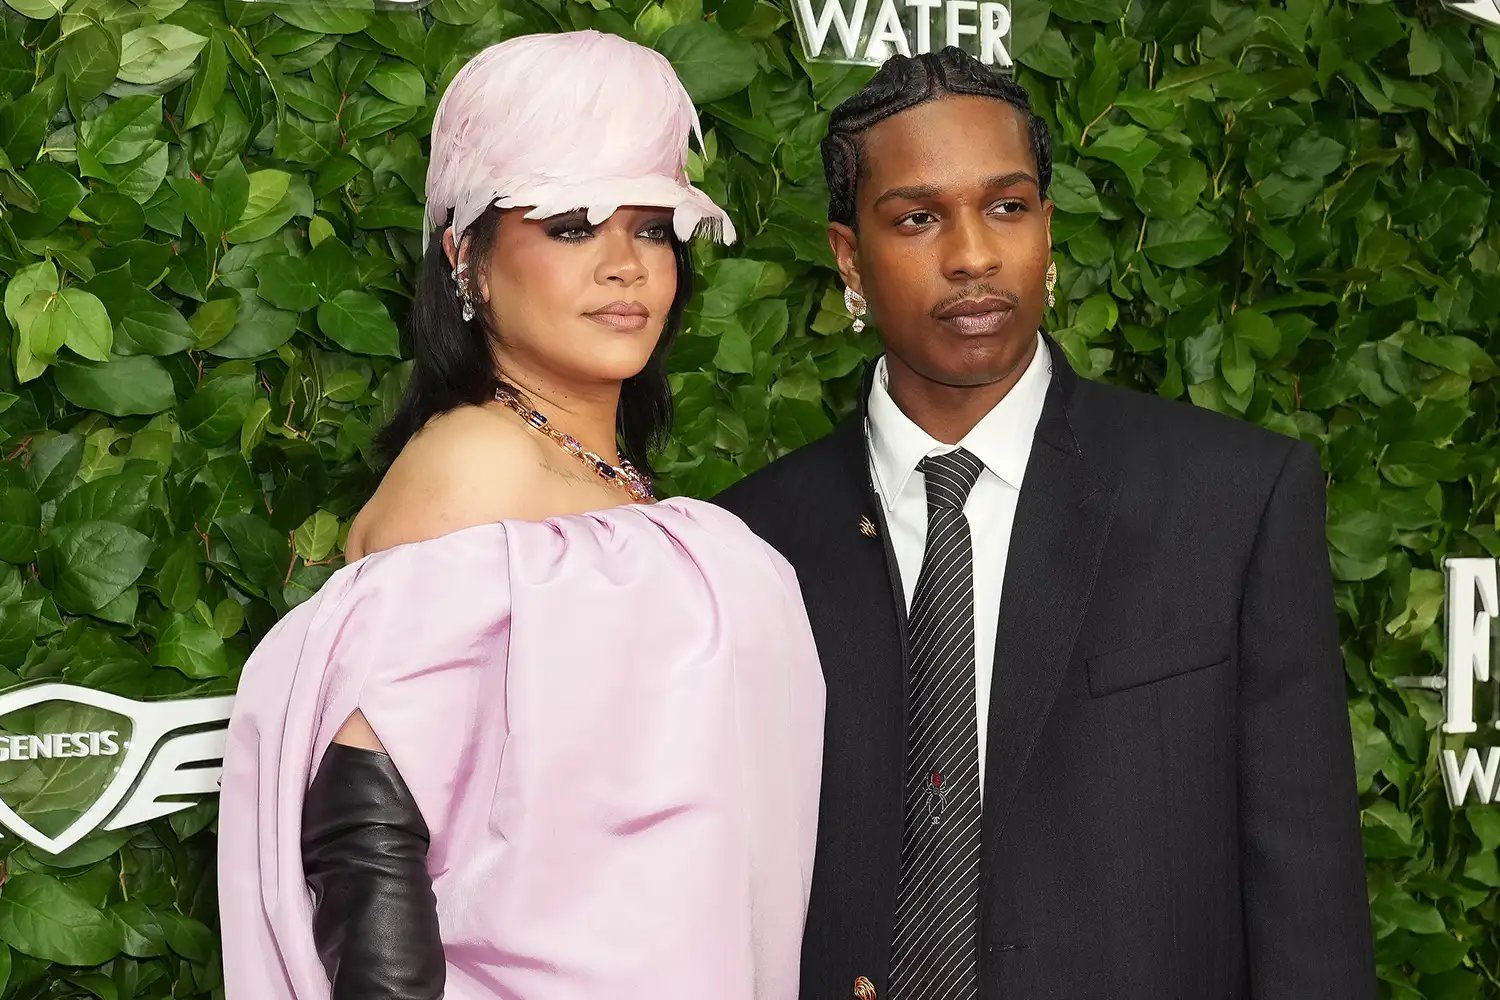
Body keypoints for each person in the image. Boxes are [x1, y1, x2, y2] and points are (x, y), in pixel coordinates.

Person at [715, 47, 1376, 1000]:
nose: (973, 255)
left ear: (1048, 229)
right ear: (849, 257)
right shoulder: (752, 541)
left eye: (1007, 207)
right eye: (917, 218)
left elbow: (1308, 898)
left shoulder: (1231, 499)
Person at [216, 30, 825, 1000]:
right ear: (468, 256)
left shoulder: (610, 481)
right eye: (574, 226)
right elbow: (370, 840)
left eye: (653, 228)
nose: (626, 266)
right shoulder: (471, 469)